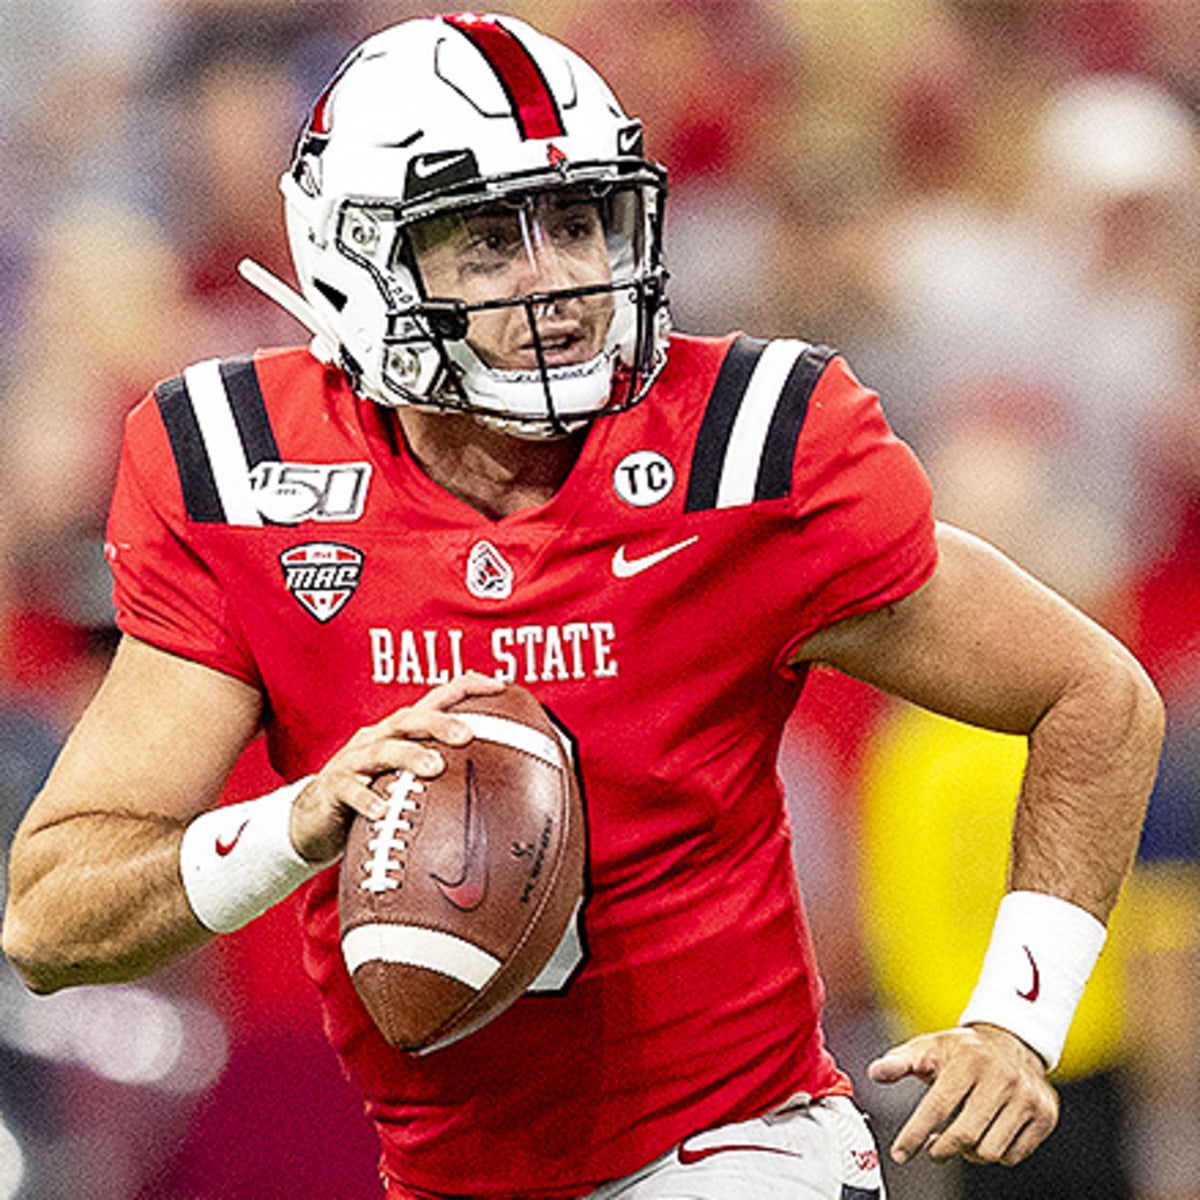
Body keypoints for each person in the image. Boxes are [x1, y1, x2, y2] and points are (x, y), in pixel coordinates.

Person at [0, 13, 1163, 1200]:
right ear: (358, 260)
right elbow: (51, 919)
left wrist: (1021, 1013)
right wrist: (297, 825)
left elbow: (1095, 695)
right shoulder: (248, 477)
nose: (555, 279)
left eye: (573, 221)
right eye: (487, 243)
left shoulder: (749, 449)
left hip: (735, 1150)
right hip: (448, 1173)